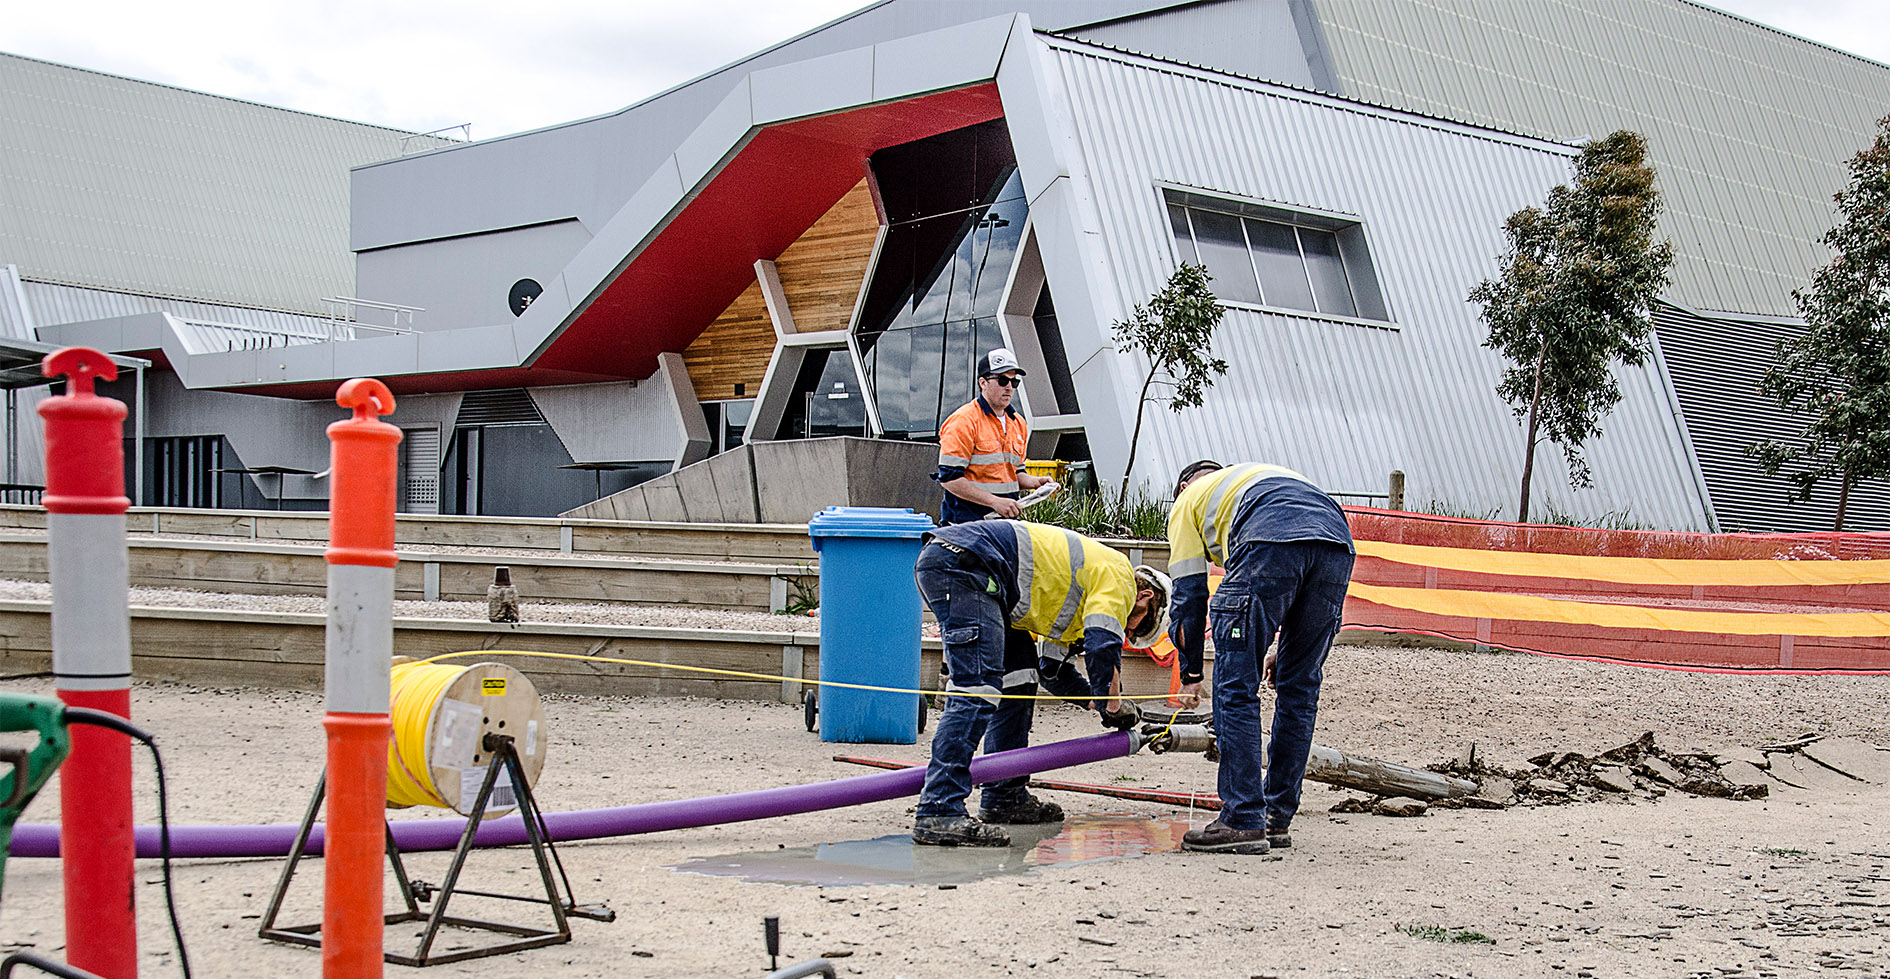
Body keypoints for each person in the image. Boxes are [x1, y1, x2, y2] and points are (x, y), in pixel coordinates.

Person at [911, 518, 1170, 846]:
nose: (1128, 633)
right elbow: (1103, 645)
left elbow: (1053, 670)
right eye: (1136, 625)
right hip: (967, 564)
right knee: (978, 688)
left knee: (1020, 681)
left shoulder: (1079, 602)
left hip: (984, 575)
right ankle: (939, 810)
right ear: (1145, 596)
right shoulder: (1120, 577)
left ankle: (1005, 796)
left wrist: (1096, 702)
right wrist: (1113, 704)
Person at [1166, 460, 1355, 855]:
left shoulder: (1186, 504)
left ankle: (1241, 819)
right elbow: (1297, 559)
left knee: (1235, 688)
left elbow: (1189, 598)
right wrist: (1280, 647)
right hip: (1338, 541)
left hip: (1269, 540)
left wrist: (1191, 672)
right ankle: (1276, 817)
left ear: (1183, 486)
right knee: (1298, 688)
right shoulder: (1258, 477)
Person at [934, 348, 1049, 525]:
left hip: (1004, 525)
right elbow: (950, 479)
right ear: (983, 383)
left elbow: (1014, 474)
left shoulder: (1018, 423)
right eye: (1002, 380)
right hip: (966, 526)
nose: (1009, 387)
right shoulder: (963, 421)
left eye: (1014, 382)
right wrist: (994, 502)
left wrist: (1037, 482)